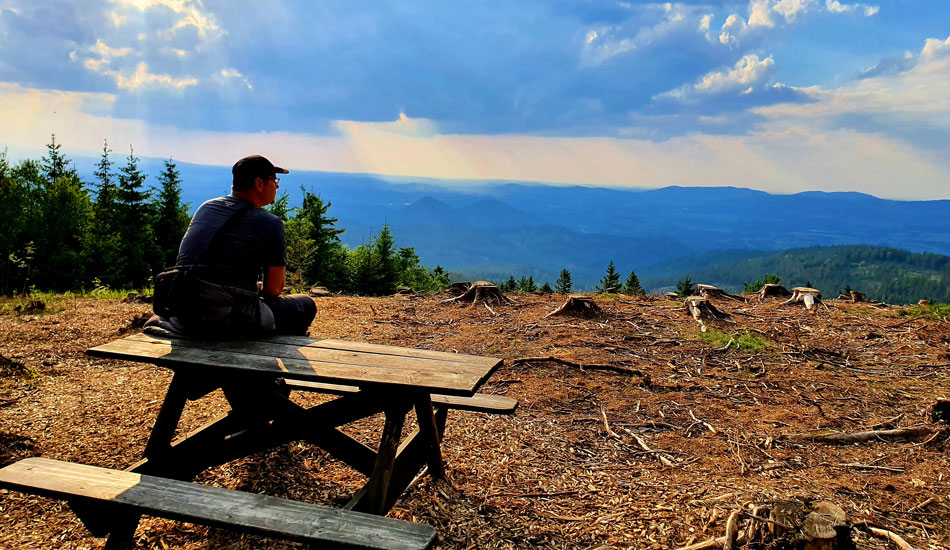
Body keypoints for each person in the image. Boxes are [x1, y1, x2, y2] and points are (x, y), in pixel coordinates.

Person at [147, 154, 316, 337]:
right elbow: (273, 290)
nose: (277, 186)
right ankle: (266, 353)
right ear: (259, 184)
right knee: (305, 305)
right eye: (274, 180)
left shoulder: (206, 208)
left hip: (187, 311)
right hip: (229, 318)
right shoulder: (269, 223)